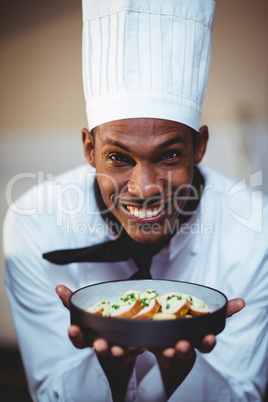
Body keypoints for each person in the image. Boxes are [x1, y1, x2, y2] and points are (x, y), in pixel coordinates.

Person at [3, 0, 268, 401]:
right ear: (89, 149)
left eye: (168, 155)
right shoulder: (33, 224)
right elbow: (49, 392)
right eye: (118, 158)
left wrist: (184, 372)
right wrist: (108, 368)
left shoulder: (255, 227)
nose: (144, 188)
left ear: (200, 146)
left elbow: (247, 393)